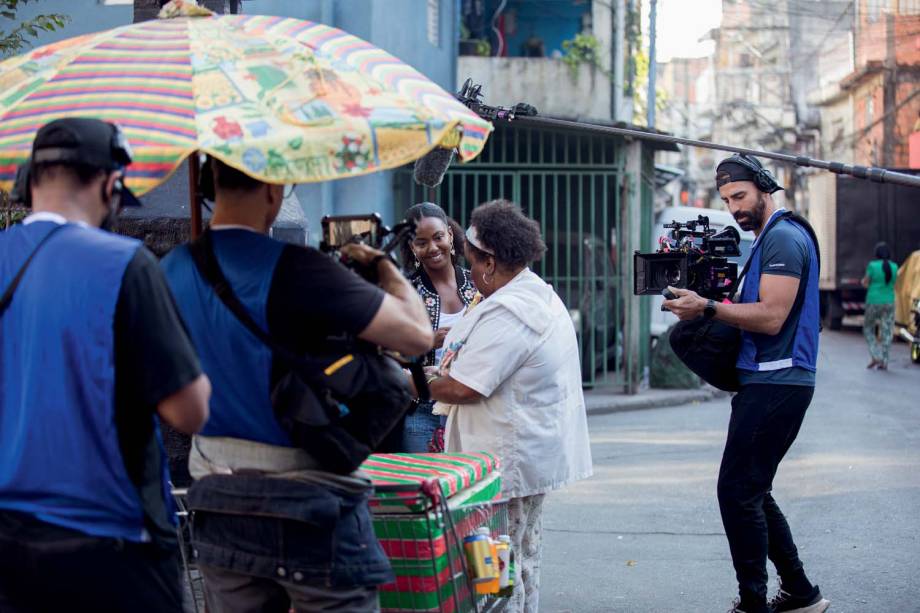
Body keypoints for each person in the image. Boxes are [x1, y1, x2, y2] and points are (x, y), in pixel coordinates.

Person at [161, 156, 433, 612]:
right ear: (272, 191)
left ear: (210, 189)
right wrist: (384, 267)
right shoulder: (298, 267)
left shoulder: (170, 269)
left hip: (218, 498)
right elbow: (416, 334)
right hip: (308, 504)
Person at [0, 118, 211, 612]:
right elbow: (189, 411)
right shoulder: (124, 262)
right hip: (111, 538)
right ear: (111, 183)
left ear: (30, 179)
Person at [664, 154, 829, 613]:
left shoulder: (783, 240)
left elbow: (773, 317)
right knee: (751, 490)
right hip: (765, 381)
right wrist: (702, 299)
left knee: (737, 492)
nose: (734, 207)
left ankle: (753, 603)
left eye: (739, 195)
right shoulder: (765, 241)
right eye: (725, 199)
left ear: (764, 187)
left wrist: (709, 308)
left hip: (779, 381)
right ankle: (800, 592)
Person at [423, 199, 593, 613]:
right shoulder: (531, 294)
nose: (471, 273)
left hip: (505, 466)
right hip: (517, 459)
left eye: (472, 262)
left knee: (496, 564)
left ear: (489, 263)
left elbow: (465, 388)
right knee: (519, 557)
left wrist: (417, 381)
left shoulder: (514, 312)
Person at [400, 202, 477, 452]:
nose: (432, 248)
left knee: (469, 487)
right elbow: (385, 353)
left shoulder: (477, 284)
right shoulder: (405, 291)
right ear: (412, 247)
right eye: (421, 242)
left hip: (470, 406)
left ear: (450, 236)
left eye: (438, 237)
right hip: (423, 409)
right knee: (425, 486)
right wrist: (425, 342)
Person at [862, 242, 898, 370]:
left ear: (876, 254)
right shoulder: (894, 267)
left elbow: (866, 282)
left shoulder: (872, 265)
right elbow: (894, 284)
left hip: (873, 301)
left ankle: (875, 355)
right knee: (887, 330)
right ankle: (884, 360)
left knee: (868, 328)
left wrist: (865, 284)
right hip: (889, 301)